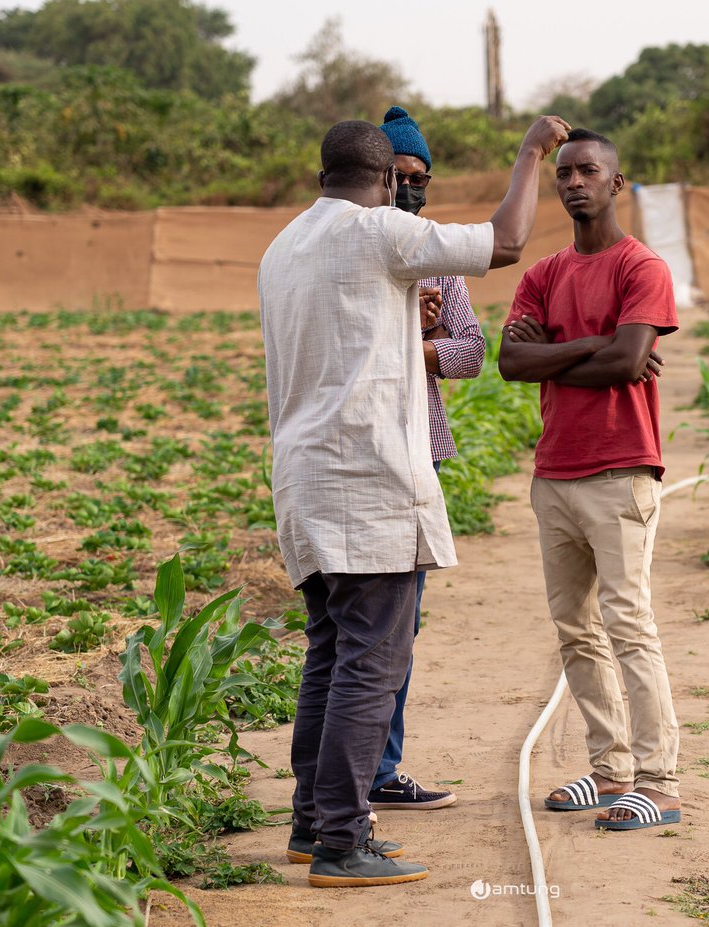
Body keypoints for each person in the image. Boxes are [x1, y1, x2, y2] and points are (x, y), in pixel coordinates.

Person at [260, 113, 570, 887]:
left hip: (304, 478)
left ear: (319, 174)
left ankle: (312, 822)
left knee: (331, 656)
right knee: (373, 660)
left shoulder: (283, 245)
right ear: (391, 181)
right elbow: (503, 242)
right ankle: (340, 839)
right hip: (367, 480)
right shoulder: (381, 234)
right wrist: (532, 153)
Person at [498, 127, 682, 832]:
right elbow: (512, 362)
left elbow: (628, 362)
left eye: (588, 171)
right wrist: (599, 345)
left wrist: (567, 351)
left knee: (628, 623)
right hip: (556, 475)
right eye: (565, 173)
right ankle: (611, 770)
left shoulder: (643, 267)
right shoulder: (543, 274)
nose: (574, 181)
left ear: (617, 181)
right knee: (575, 628)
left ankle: (660, 780)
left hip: (619, 469)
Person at [367, 105, 486, 812]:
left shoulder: (440, 257)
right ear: (377, 179)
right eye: (401, 177)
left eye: (423, 179)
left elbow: (472, 351)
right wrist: (409, 331)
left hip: (421, 452)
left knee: (400, 624)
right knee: (365, 627)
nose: (413, 191)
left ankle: (380, 767)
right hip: (363, 451)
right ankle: (360, 774)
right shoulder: (359, 250)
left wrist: (417, 346)